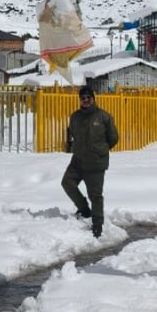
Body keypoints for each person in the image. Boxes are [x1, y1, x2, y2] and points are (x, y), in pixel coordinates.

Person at [62, 86, 119, 238]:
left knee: (96, 195)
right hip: (78, 160)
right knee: (67, 183)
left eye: (88, 98)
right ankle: (84, 209)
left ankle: (97, 225)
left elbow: (113, 138)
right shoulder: (75, 116)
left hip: (96, 162)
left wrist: (99, 150)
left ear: (93, 99)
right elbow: (73, 133)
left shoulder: (103, 117)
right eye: (83, 98)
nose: (86, 100)